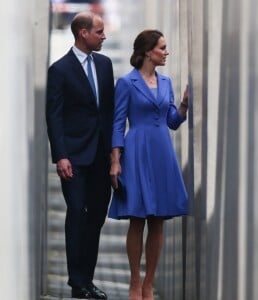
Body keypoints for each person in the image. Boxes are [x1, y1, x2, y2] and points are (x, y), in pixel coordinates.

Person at [109, 29, 189, 300]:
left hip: (162, 152)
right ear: (147, 51)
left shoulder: (166, 82)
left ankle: (149, 284)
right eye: (162, 48)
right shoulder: (127, 83)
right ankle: (134, 282)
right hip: (137, 150)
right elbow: (118, 123)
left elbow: (172, 122)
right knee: (137, 218)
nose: (166, 52)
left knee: (158, 220)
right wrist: (116, 160)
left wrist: (184, 107)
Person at [46, 11, 114, 299]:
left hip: (101, 156)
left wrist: (115, 154)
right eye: (99, 31)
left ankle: (87, 279)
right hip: (73, 157)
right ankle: (76, 283)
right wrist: (60, 155)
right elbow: (54, 116)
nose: (104, 36)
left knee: (96, 216)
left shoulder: (105, 64)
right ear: (82, 33)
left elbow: (109, 112)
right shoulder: (60, 70)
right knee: (77, 213)